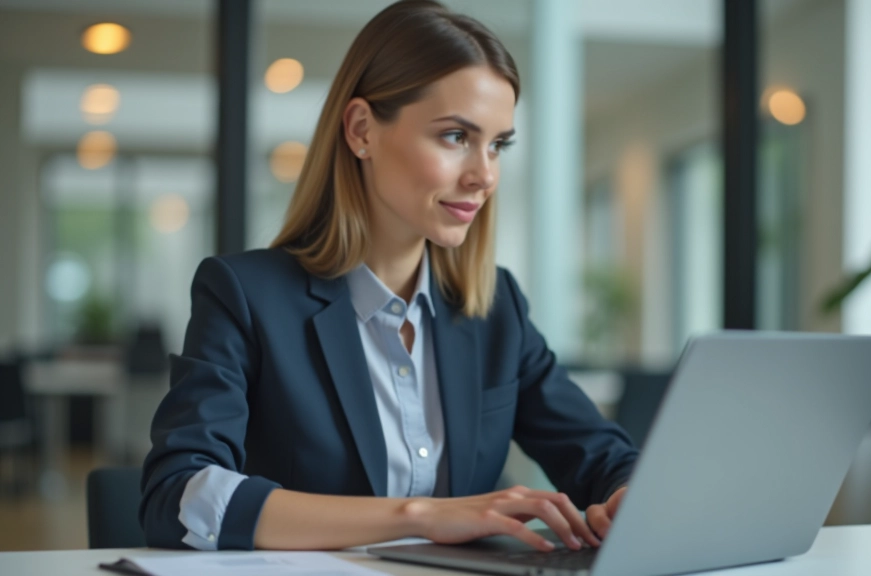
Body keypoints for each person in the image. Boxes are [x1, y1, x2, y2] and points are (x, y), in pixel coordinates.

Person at [140, 0, 637, 552]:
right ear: (361, 131)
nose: (484, 175)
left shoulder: (496, 308)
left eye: (498, 144)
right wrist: (420, 516)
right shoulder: (245, 295)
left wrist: (630, 494)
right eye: (455, 137)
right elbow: (178, 494)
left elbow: (603, 456)